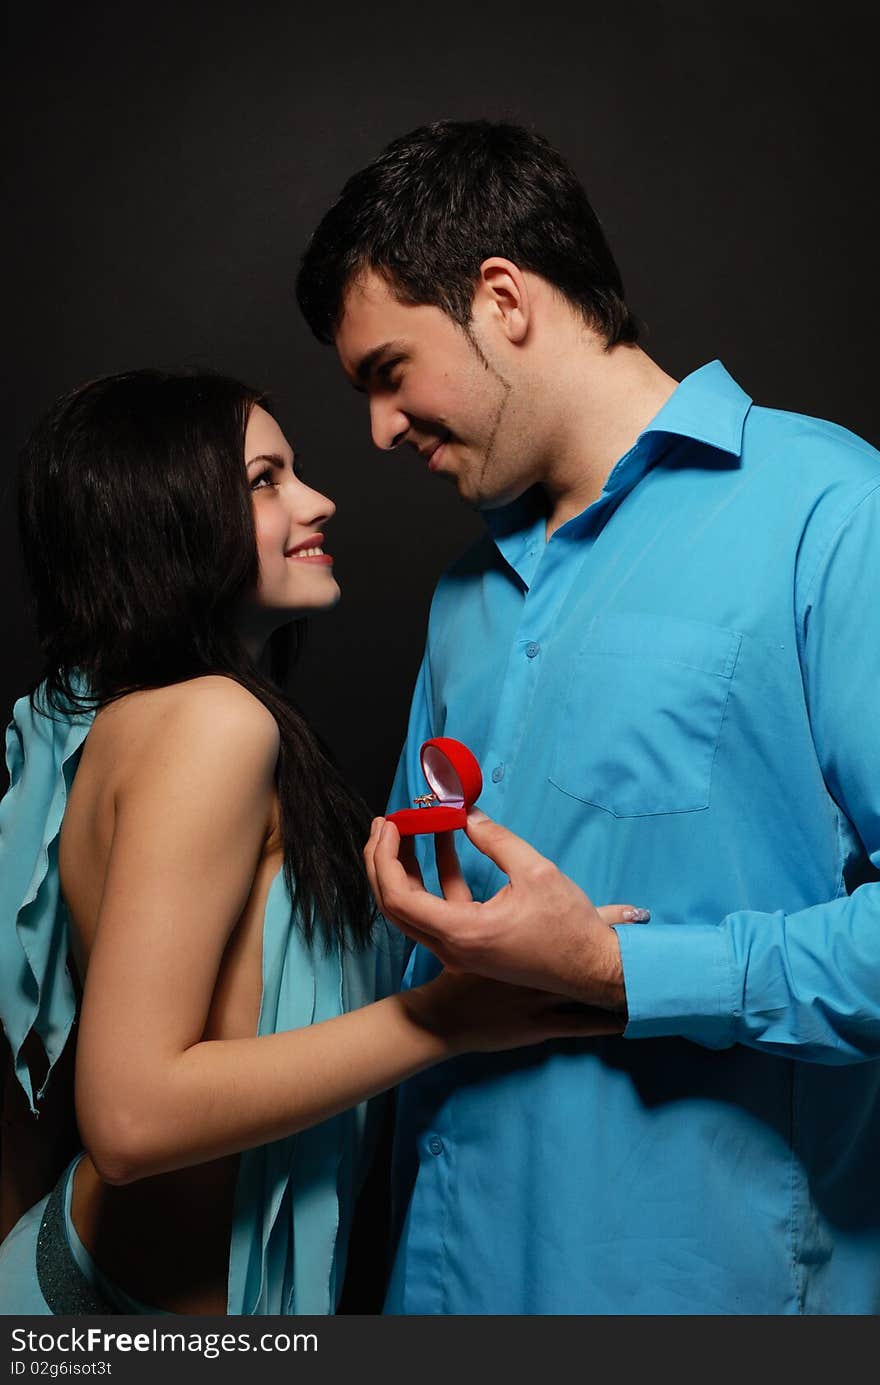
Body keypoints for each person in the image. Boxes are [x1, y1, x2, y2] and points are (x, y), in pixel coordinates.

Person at [295, 119, 880, 1315]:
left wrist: (624, 970)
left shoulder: (833, 514)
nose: (376, 431)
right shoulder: (465, 595)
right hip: (443, 1282)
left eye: (388, 372)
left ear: (501, 297)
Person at [0, 369, 627, 1316]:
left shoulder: (106, 720)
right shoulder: (215, 725)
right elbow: (128, 1117)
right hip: (109, 1316)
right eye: (265, 479)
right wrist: (446, 1018)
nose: (318, 498)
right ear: (161, 512)